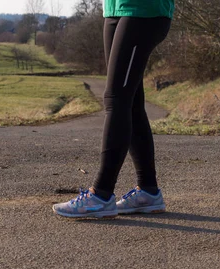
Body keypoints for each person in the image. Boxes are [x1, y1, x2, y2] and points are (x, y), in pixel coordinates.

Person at [53, 0, 174, 218]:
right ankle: (148, 191)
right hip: (114, 8)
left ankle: (101, 194)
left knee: (116, 98)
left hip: (143, 11)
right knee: (131, 102)